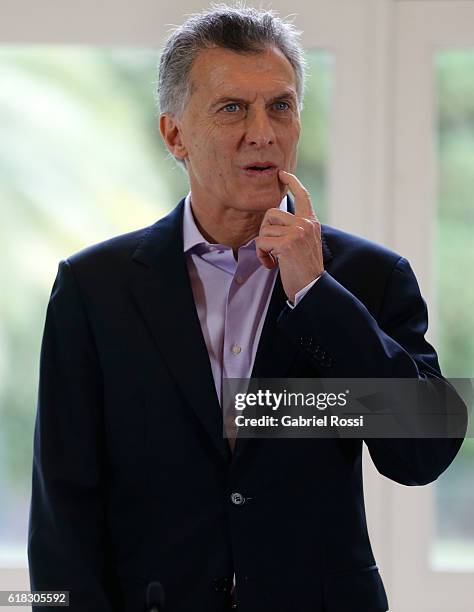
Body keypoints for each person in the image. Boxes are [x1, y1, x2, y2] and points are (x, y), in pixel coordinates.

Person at [27, 5, 467, 612]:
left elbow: (421, 453)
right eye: (233, 107)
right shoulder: (93, 289)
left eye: (280, 106)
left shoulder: (366, 277)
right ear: (175, 133)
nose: (262, 131)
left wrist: (315, 294)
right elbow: (61, 512)